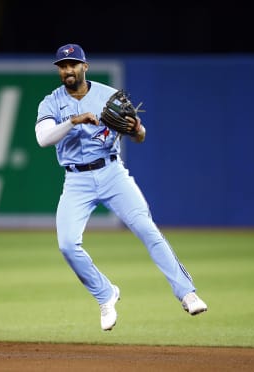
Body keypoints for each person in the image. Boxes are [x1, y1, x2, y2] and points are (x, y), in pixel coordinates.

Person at [35, 43, 207, 331]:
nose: (68, 70)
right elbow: (43, 138)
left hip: (111, 172)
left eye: (73, 64)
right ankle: (105, 294)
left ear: (84, 67)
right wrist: (74, 119)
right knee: (67, 244)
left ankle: (187, 293)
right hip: (76, 179)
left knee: (147, 229)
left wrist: (137, 130)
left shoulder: (107, 96)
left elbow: (138, 135)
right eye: (63, 66)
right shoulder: (51, 102)